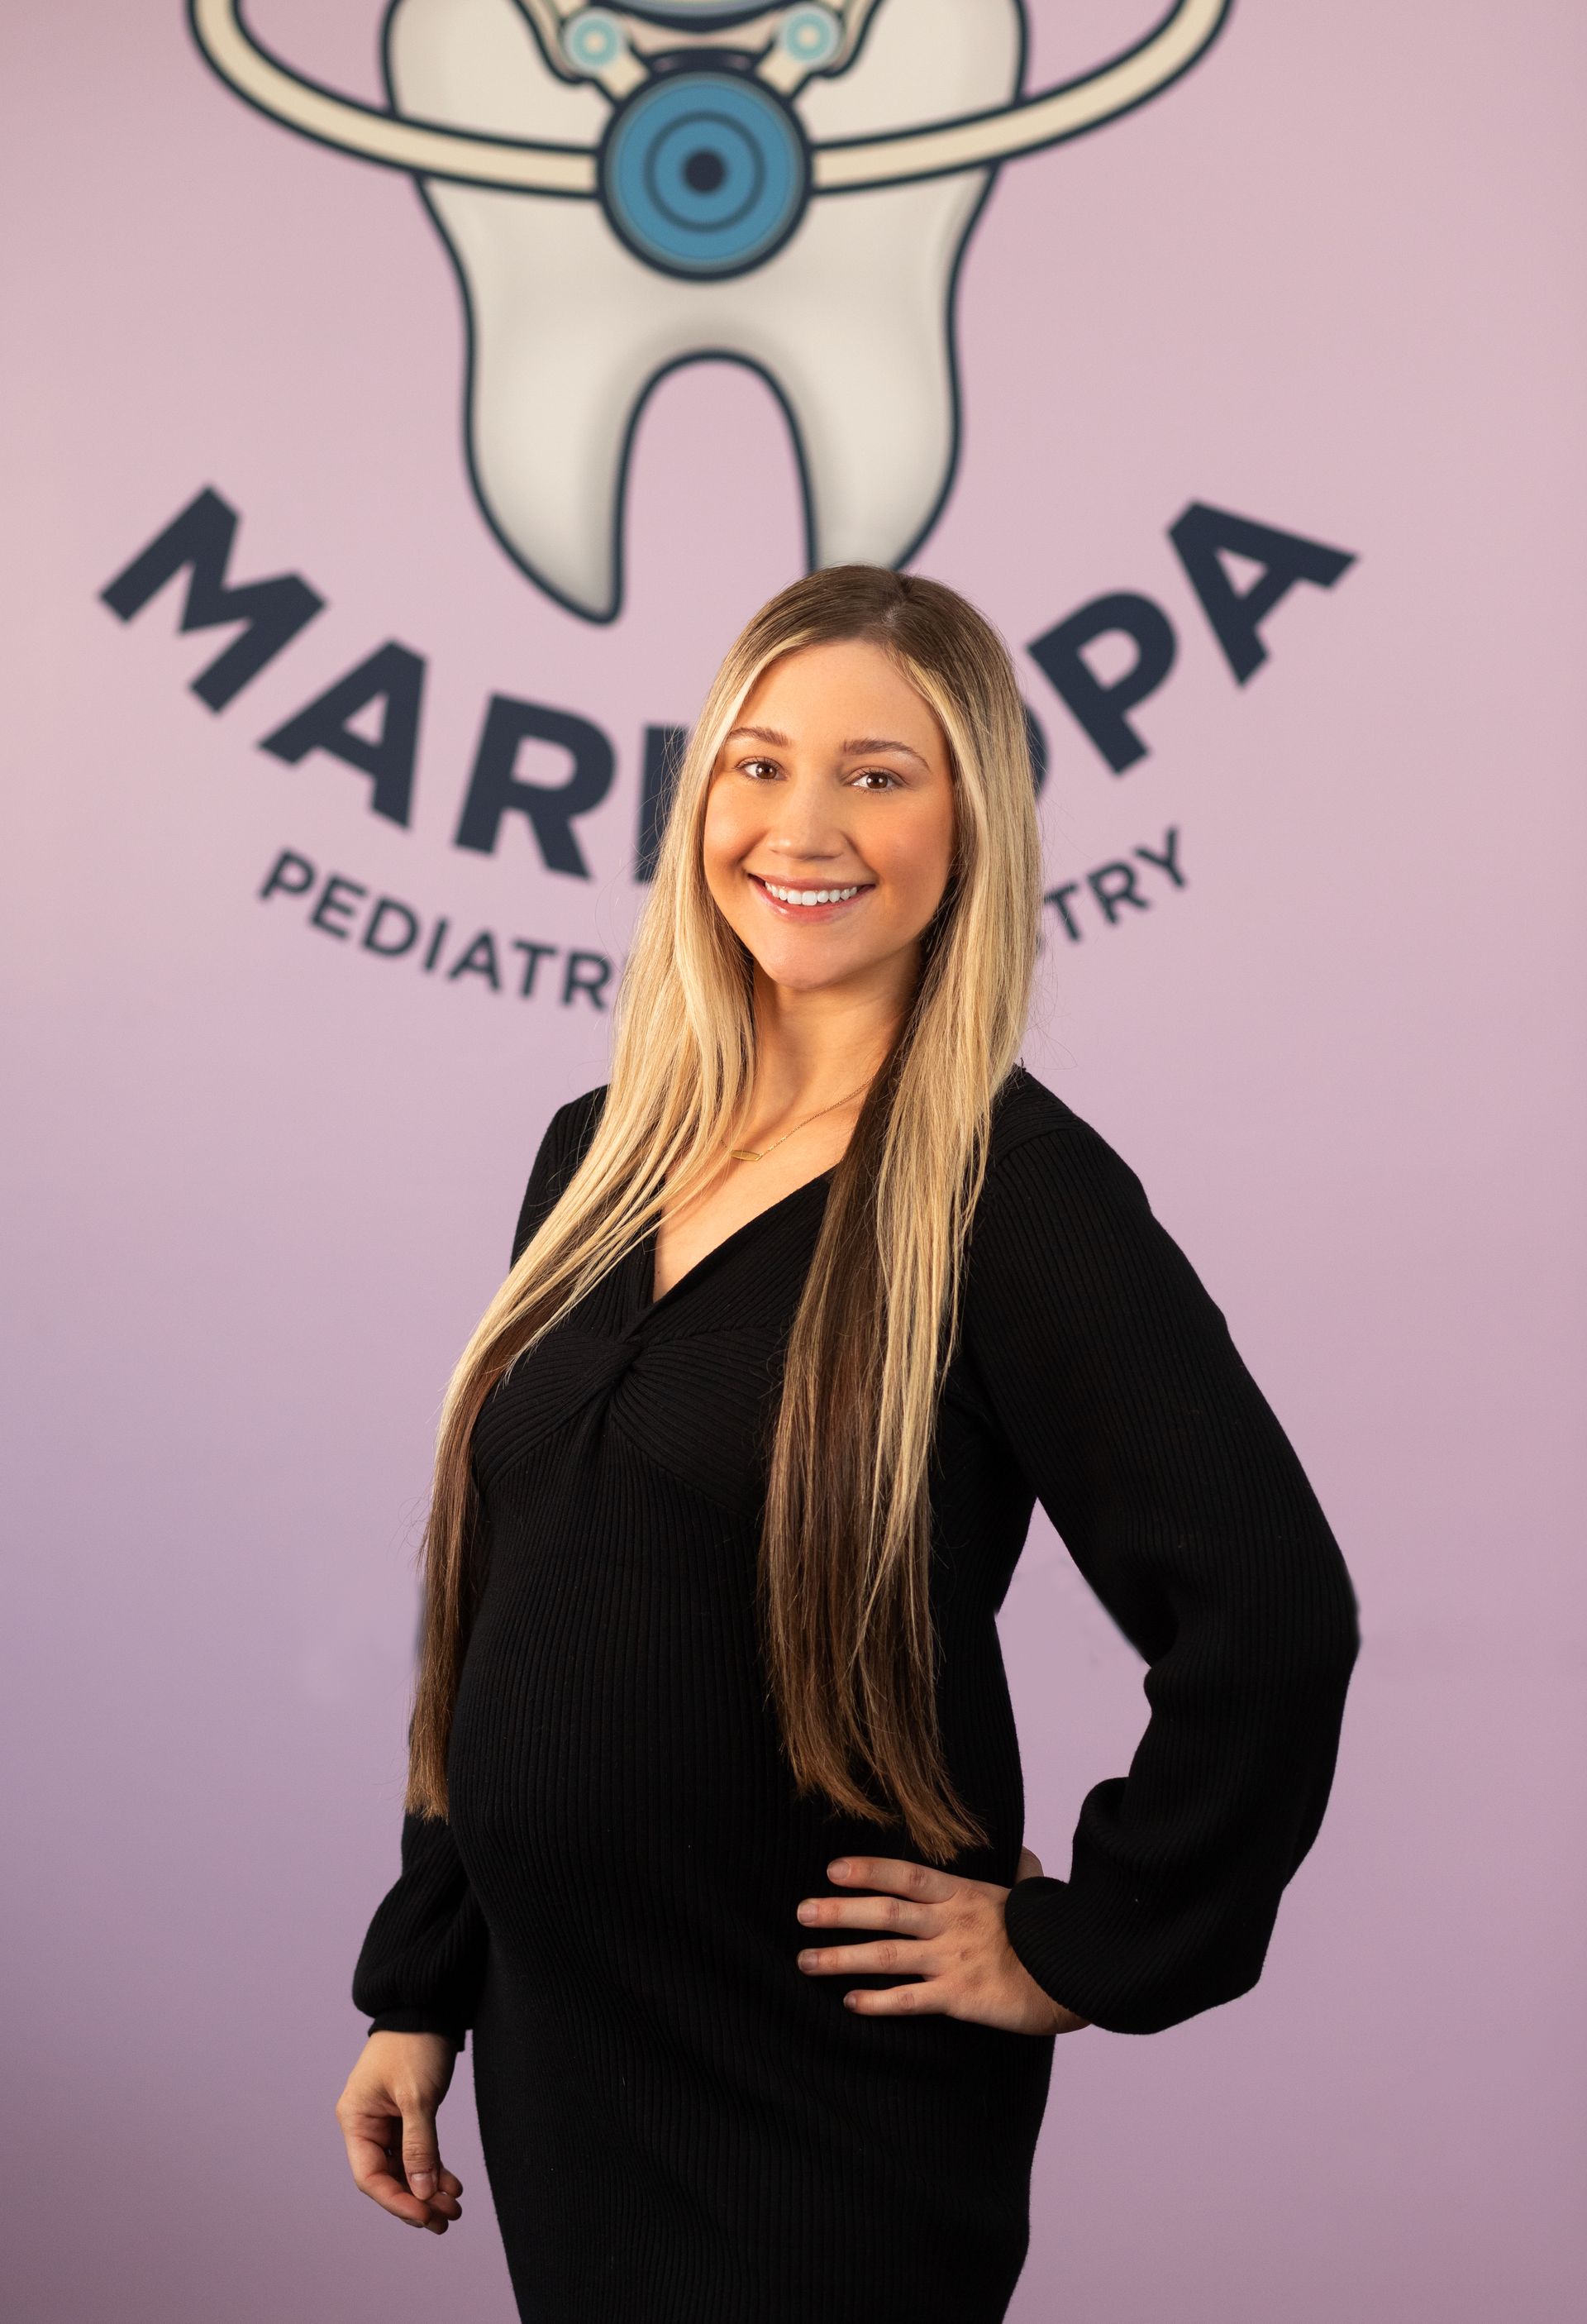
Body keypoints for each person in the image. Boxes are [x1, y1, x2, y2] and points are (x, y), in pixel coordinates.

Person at [334, 565, 1361, 2322]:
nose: (800, 822)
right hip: (571, 2051)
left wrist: (1085, 1943)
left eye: (878, 773)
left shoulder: (1010, 1192)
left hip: (813, 2086)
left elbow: (1272, 1609)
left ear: (973, 820)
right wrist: (423, 1975)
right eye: (757, 762)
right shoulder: (598, 1147)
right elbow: (516, 1589)